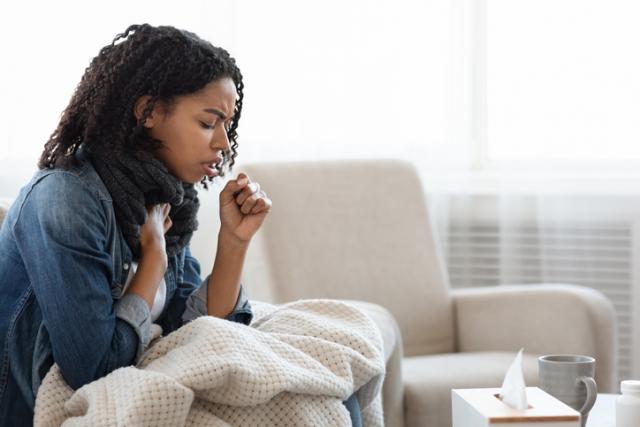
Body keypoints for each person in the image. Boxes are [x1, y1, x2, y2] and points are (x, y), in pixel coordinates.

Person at [0, 24, 361, 426]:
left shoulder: (165, 196)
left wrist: (234, 242)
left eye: (227, 125)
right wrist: (153, 258)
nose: (223, 143)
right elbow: (93, 368)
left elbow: (189, 329)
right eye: (209, 123)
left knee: (330, 389)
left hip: (131, 381)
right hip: (42, 406)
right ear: (148, 112)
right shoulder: (65, 200)